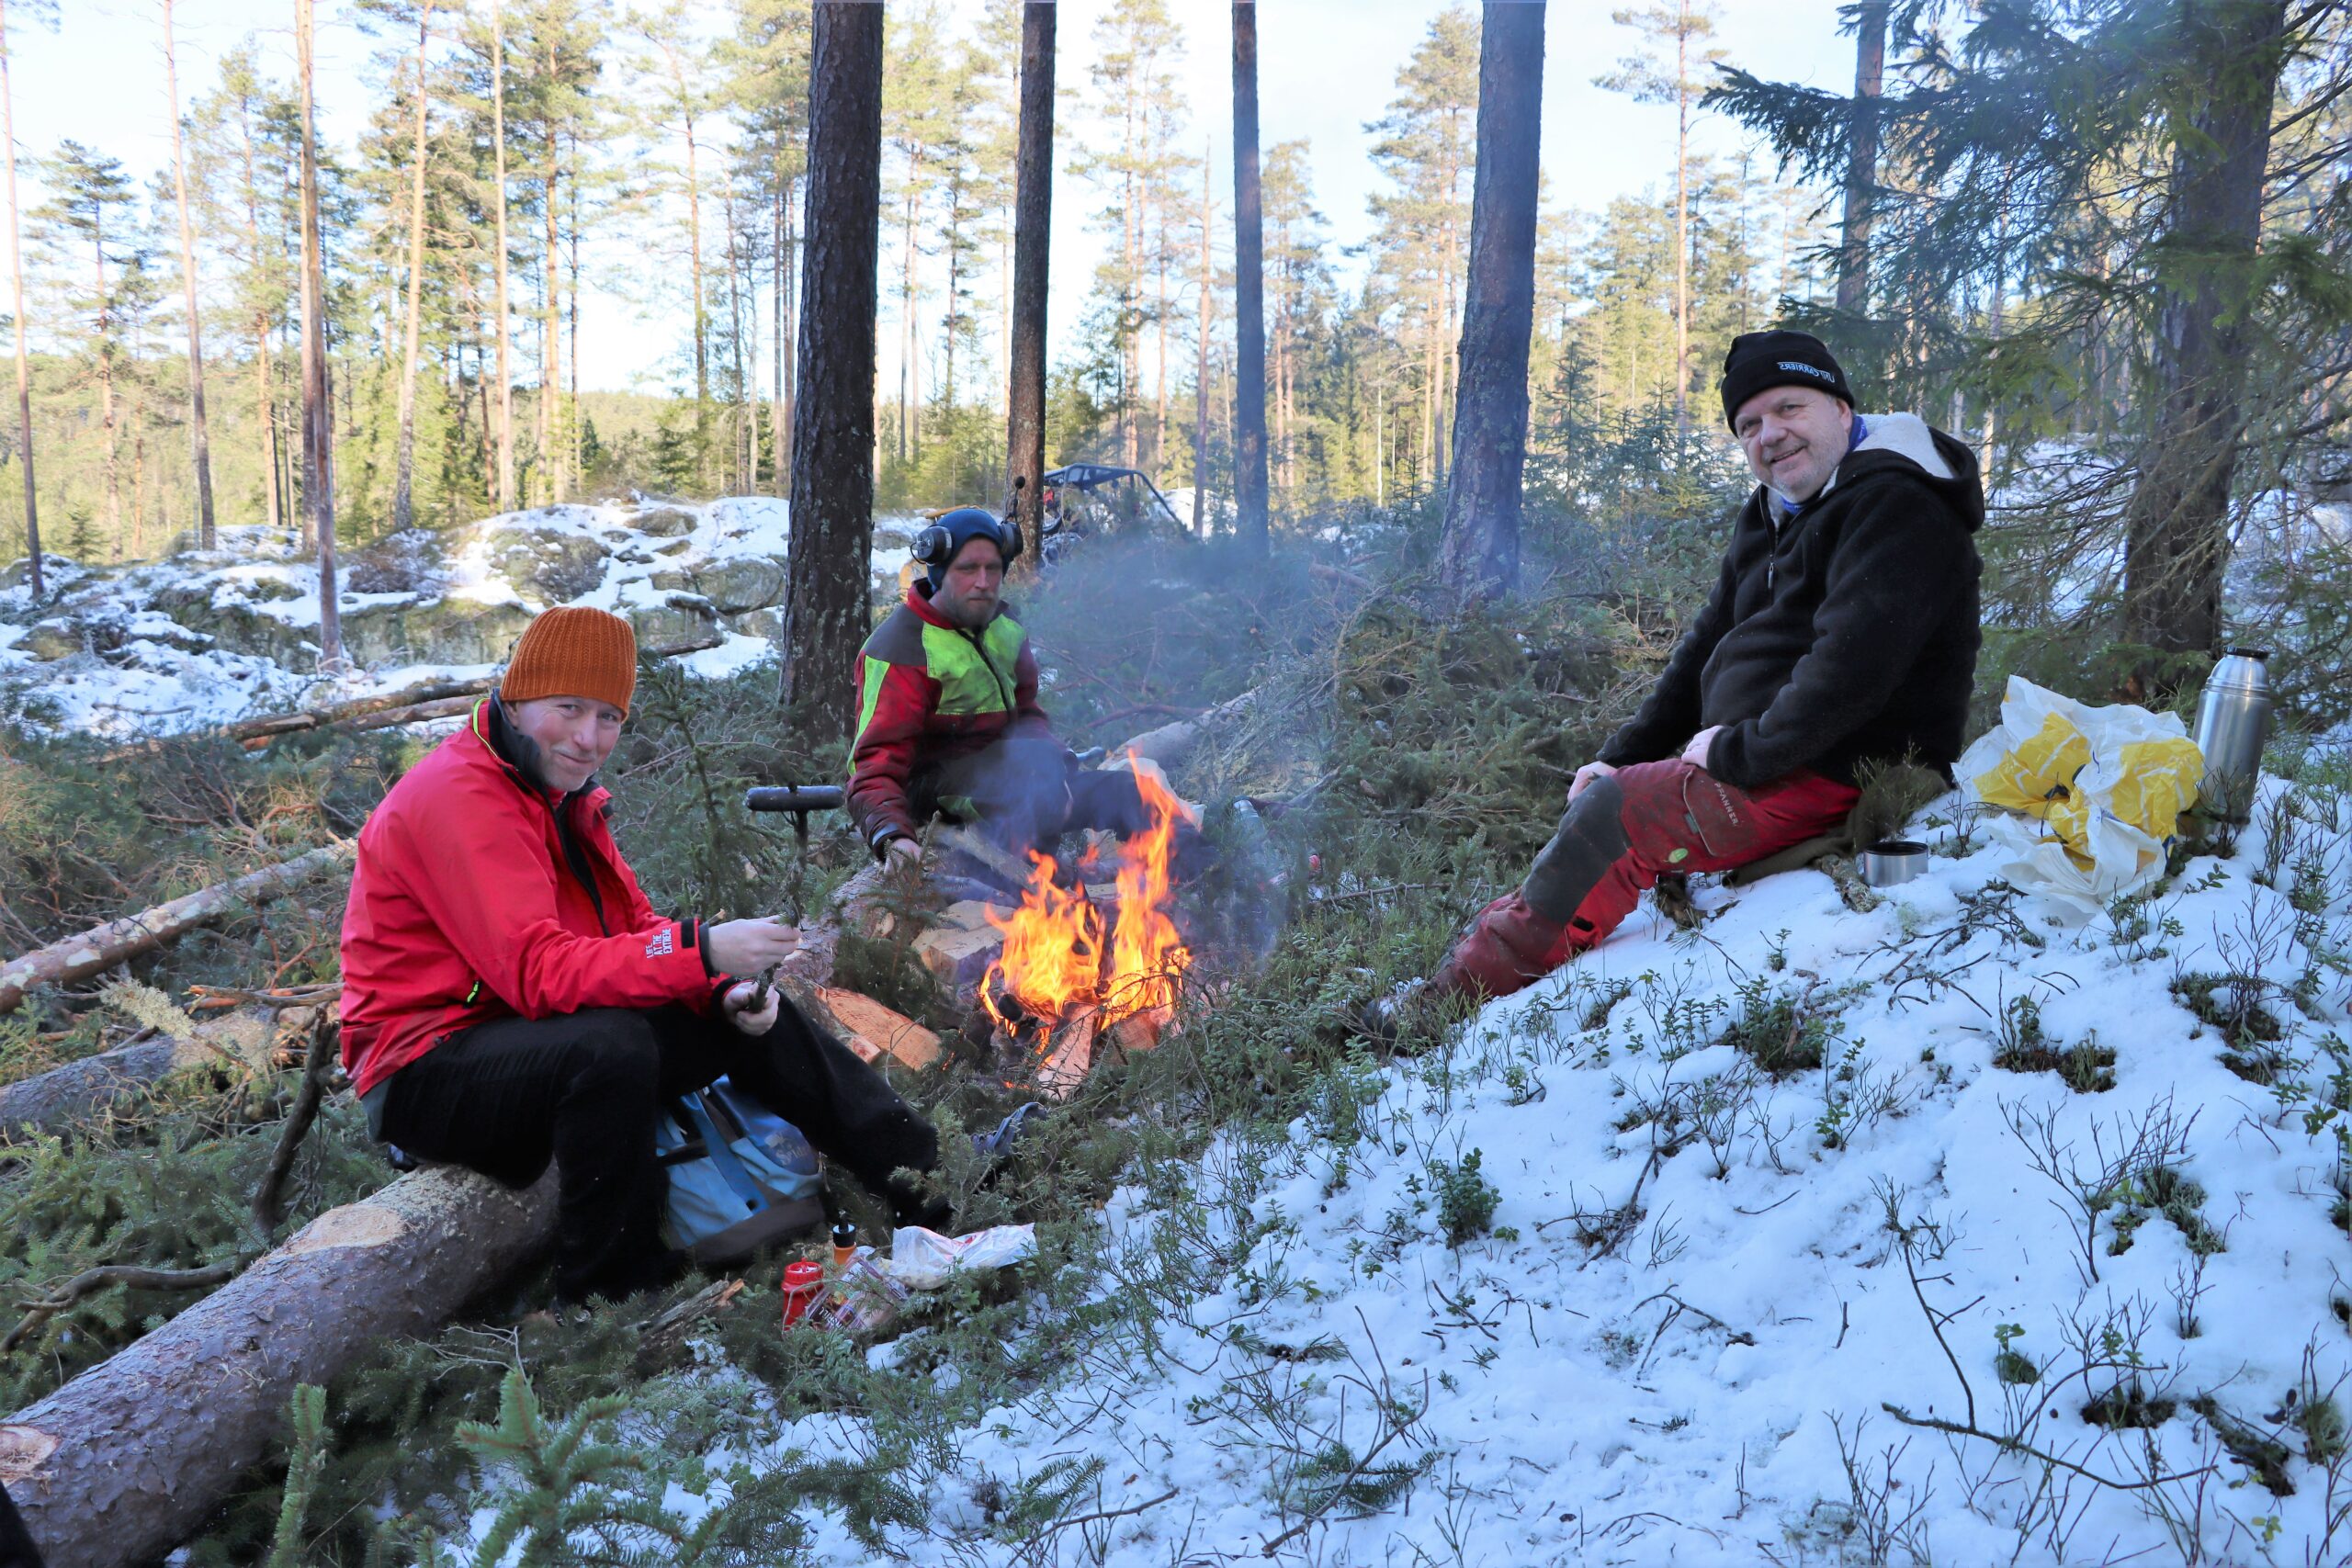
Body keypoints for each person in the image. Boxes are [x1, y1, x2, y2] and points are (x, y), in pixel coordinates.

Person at [1371, 331, 1984, 1031]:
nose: (1770, 435)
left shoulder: (1896, 504)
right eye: (1749, 424)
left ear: (1842, 410)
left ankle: (1450, 1002)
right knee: (1605, 794)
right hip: (1774, 757)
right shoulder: (1773, 511)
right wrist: (1625, 754)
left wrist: (1735, 754)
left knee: (1615, 817)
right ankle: (1478, 962)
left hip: (1840, 768)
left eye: (1789, 408)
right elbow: (1703, 650)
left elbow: (1852, 672)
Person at [340, 606, 947, 1304]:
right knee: (612, 1046)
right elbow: (539, 972)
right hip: (422, 1068)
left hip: (516, 1034)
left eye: (608, 717)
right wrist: (704, 947)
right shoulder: (462, 796)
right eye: (568, 708)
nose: (587, 737)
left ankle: (922, 1180)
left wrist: (716, 987)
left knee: (748, 1014)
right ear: (517, 695)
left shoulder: (556, 793)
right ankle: (609, 1293)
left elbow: (631, 927)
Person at [846, 506, 1157, 870]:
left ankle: (1210, 888)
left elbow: (1028, 718)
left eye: (992, 568)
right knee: (1033, 773)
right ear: (940, 573)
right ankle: (1043, 893)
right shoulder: (901, 650)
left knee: (1128, 792)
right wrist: (894, 836)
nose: (983, 581)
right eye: (967, 569)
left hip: (1018, 779)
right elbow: (873, 766)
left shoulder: (1004, 628)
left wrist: (1060, 768)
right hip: (936, 796)